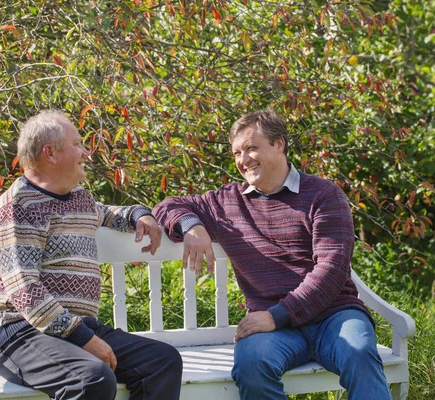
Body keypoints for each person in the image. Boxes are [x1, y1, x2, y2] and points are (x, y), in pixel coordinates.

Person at [153, 110, 391, 400]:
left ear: (279, 144)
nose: (243, 160)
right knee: (252, 365)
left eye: (252, 148)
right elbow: (167, 205)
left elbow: (332, 269)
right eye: (238, 152)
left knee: (359, 354)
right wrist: (193, 227)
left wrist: (278, 315)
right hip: (271, 329)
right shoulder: (227, 202)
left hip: (333, 316)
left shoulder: (323, 195)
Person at [0, 110, 182, 400]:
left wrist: (141, 215)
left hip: (75, 328)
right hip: (18, 333)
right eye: (77, 144)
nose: (86, 152)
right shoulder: (18, 207)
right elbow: (25, 293)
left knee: (162, 361)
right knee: (92, 379)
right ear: (50, 153)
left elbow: (110, 214)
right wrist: (87, 340)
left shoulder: (78, 198)